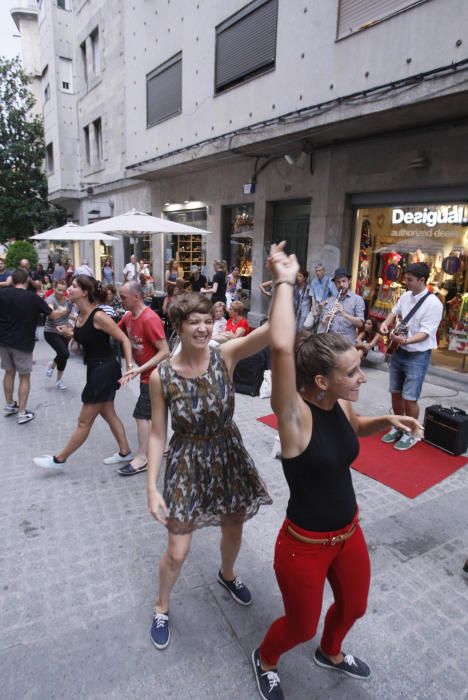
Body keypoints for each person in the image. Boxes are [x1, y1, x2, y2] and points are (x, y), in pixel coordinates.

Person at [251, 243, 422, 700]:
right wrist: (286, 281)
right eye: (352, 372)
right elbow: (283, 345)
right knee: (299, 625)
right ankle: (266, 658)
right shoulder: (294, 416)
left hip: (349, 534)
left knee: (354, 606)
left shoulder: (340, 402)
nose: (362, 377)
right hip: (303, 547)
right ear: (321, 381)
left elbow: (353, 429)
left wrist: (385, 420)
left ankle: (331, 651)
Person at [146, 292, 272, 650]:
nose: (203, 328)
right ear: (179, 327)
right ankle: (161, 605)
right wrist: (151, 487)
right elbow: (157, 434)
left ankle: (227, 575)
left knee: (233, 530)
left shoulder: (225, 356)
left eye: (207, 320)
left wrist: (282, 282)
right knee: (177, 550)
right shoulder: (163, 376)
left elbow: (272, 331)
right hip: (186, 460)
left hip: (227, 454)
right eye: (194, 322)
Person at [33, 275, 134, 470]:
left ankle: (59, 460)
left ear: (85, 292)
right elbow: (88, 336)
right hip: (95, 368)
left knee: (83, 421)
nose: (69, 289)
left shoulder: (98, 315)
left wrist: (130, 368)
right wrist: (69, 333)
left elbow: (124, 339)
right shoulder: (80, 314)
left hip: (104, 370)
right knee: (108, 413)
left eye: (74, 286)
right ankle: (125, 452)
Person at [379, 262, 443, 451]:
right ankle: (399, 426)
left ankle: (412, 432)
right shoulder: (406, 296)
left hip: (418, 355)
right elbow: (394, 312)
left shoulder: (434, 304)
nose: (406, 282)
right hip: (399, 351)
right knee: (395, 392)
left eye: (410, 280)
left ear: (422, 280)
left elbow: (426, 333)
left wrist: (405, 341)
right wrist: (385, 324)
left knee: (410, 397)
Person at [0, 268, 67, 424]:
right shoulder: (32, 298)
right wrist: (63, 311)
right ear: (26, 281)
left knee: (8, 373)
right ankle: (22, 413)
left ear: (12, 280)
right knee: (24, 377)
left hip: (3, 341)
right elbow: (53, 315)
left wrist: (5, 284)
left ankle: (10, 405)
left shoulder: (2, 294)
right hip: (22, 343)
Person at [117, 281, 169, 477]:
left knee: (142, 414)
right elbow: (116, 332)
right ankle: (162, 446)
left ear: (136, 297)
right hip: (146, 374)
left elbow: (165, 351)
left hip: (156, 375)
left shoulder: (150, 319)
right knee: (158, 411)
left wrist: (140, 370)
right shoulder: (129, 316)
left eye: (123, 297)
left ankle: (143, 457)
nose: (120, 300)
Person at [320, 268, 364, 342]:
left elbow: (360, 324)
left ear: (349, 281)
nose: (341, 284)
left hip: (347, 342)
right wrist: (326, 319)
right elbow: (324, 323)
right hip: (331, 340)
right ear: (335, 284)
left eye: (344, 281)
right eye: (338, 282)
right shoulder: (331, 300)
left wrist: (344, 314)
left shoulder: (357, 299)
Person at [44, 280, 73, 390]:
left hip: (64, 332)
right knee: (64, 353)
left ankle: (59, 380)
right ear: (54, 288)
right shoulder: (50, 300)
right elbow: (52, 315)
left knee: (64, 356)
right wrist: (63, 310)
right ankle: (52, 365)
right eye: (59, 290)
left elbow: (68, 316)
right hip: (51, 331)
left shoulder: (68, 301)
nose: (61, 292)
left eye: (63, 290)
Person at [309, 263, 337, 327]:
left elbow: (335, 295)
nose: (318, 272)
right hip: (316, 305)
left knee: (321, 327)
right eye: (316, 271)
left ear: (323, 270)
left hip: (326, 306)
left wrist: (325, 301)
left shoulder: (329, 280)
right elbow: (312, 296)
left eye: (319, 270)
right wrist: (314, 309)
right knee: (307, 324)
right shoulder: (314, 281)